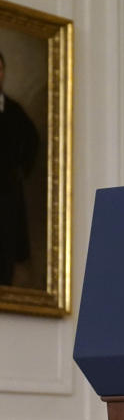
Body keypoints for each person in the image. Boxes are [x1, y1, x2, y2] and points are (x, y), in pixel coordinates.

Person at [0, 50, 41, 285]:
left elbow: (31, 140)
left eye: (0, 69)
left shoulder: (15, 111)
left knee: (6, 247)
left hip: (7, 195)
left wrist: (21, 170)